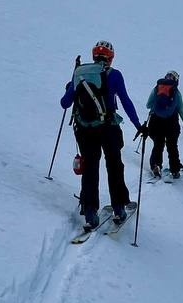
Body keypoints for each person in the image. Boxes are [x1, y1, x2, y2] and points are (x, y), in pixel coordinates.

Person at [60, 40, 142, 230]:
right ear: (111, 58)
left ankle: (90, 213)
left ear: (93, 55)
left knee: (90, 167)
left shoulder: (79, 73)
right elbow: (125, 101)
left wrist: (70, 87)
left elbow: (65, 103)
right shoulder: (114, 75)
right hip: (108, 127)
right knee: (114, 165)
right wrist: (138, 125)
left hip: (84, 129)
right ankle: (119, 208)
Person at [146, 70, 183, 179]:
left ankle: (156, 165)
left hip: (156, 121)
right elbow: (181, 109)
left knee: (158, 144)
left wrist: (156, 107)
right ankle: (175, 169)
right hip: (172, 122)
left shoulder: (157, 88)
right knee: (172, 146)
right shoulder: (176, 92)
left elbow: (148, 105)